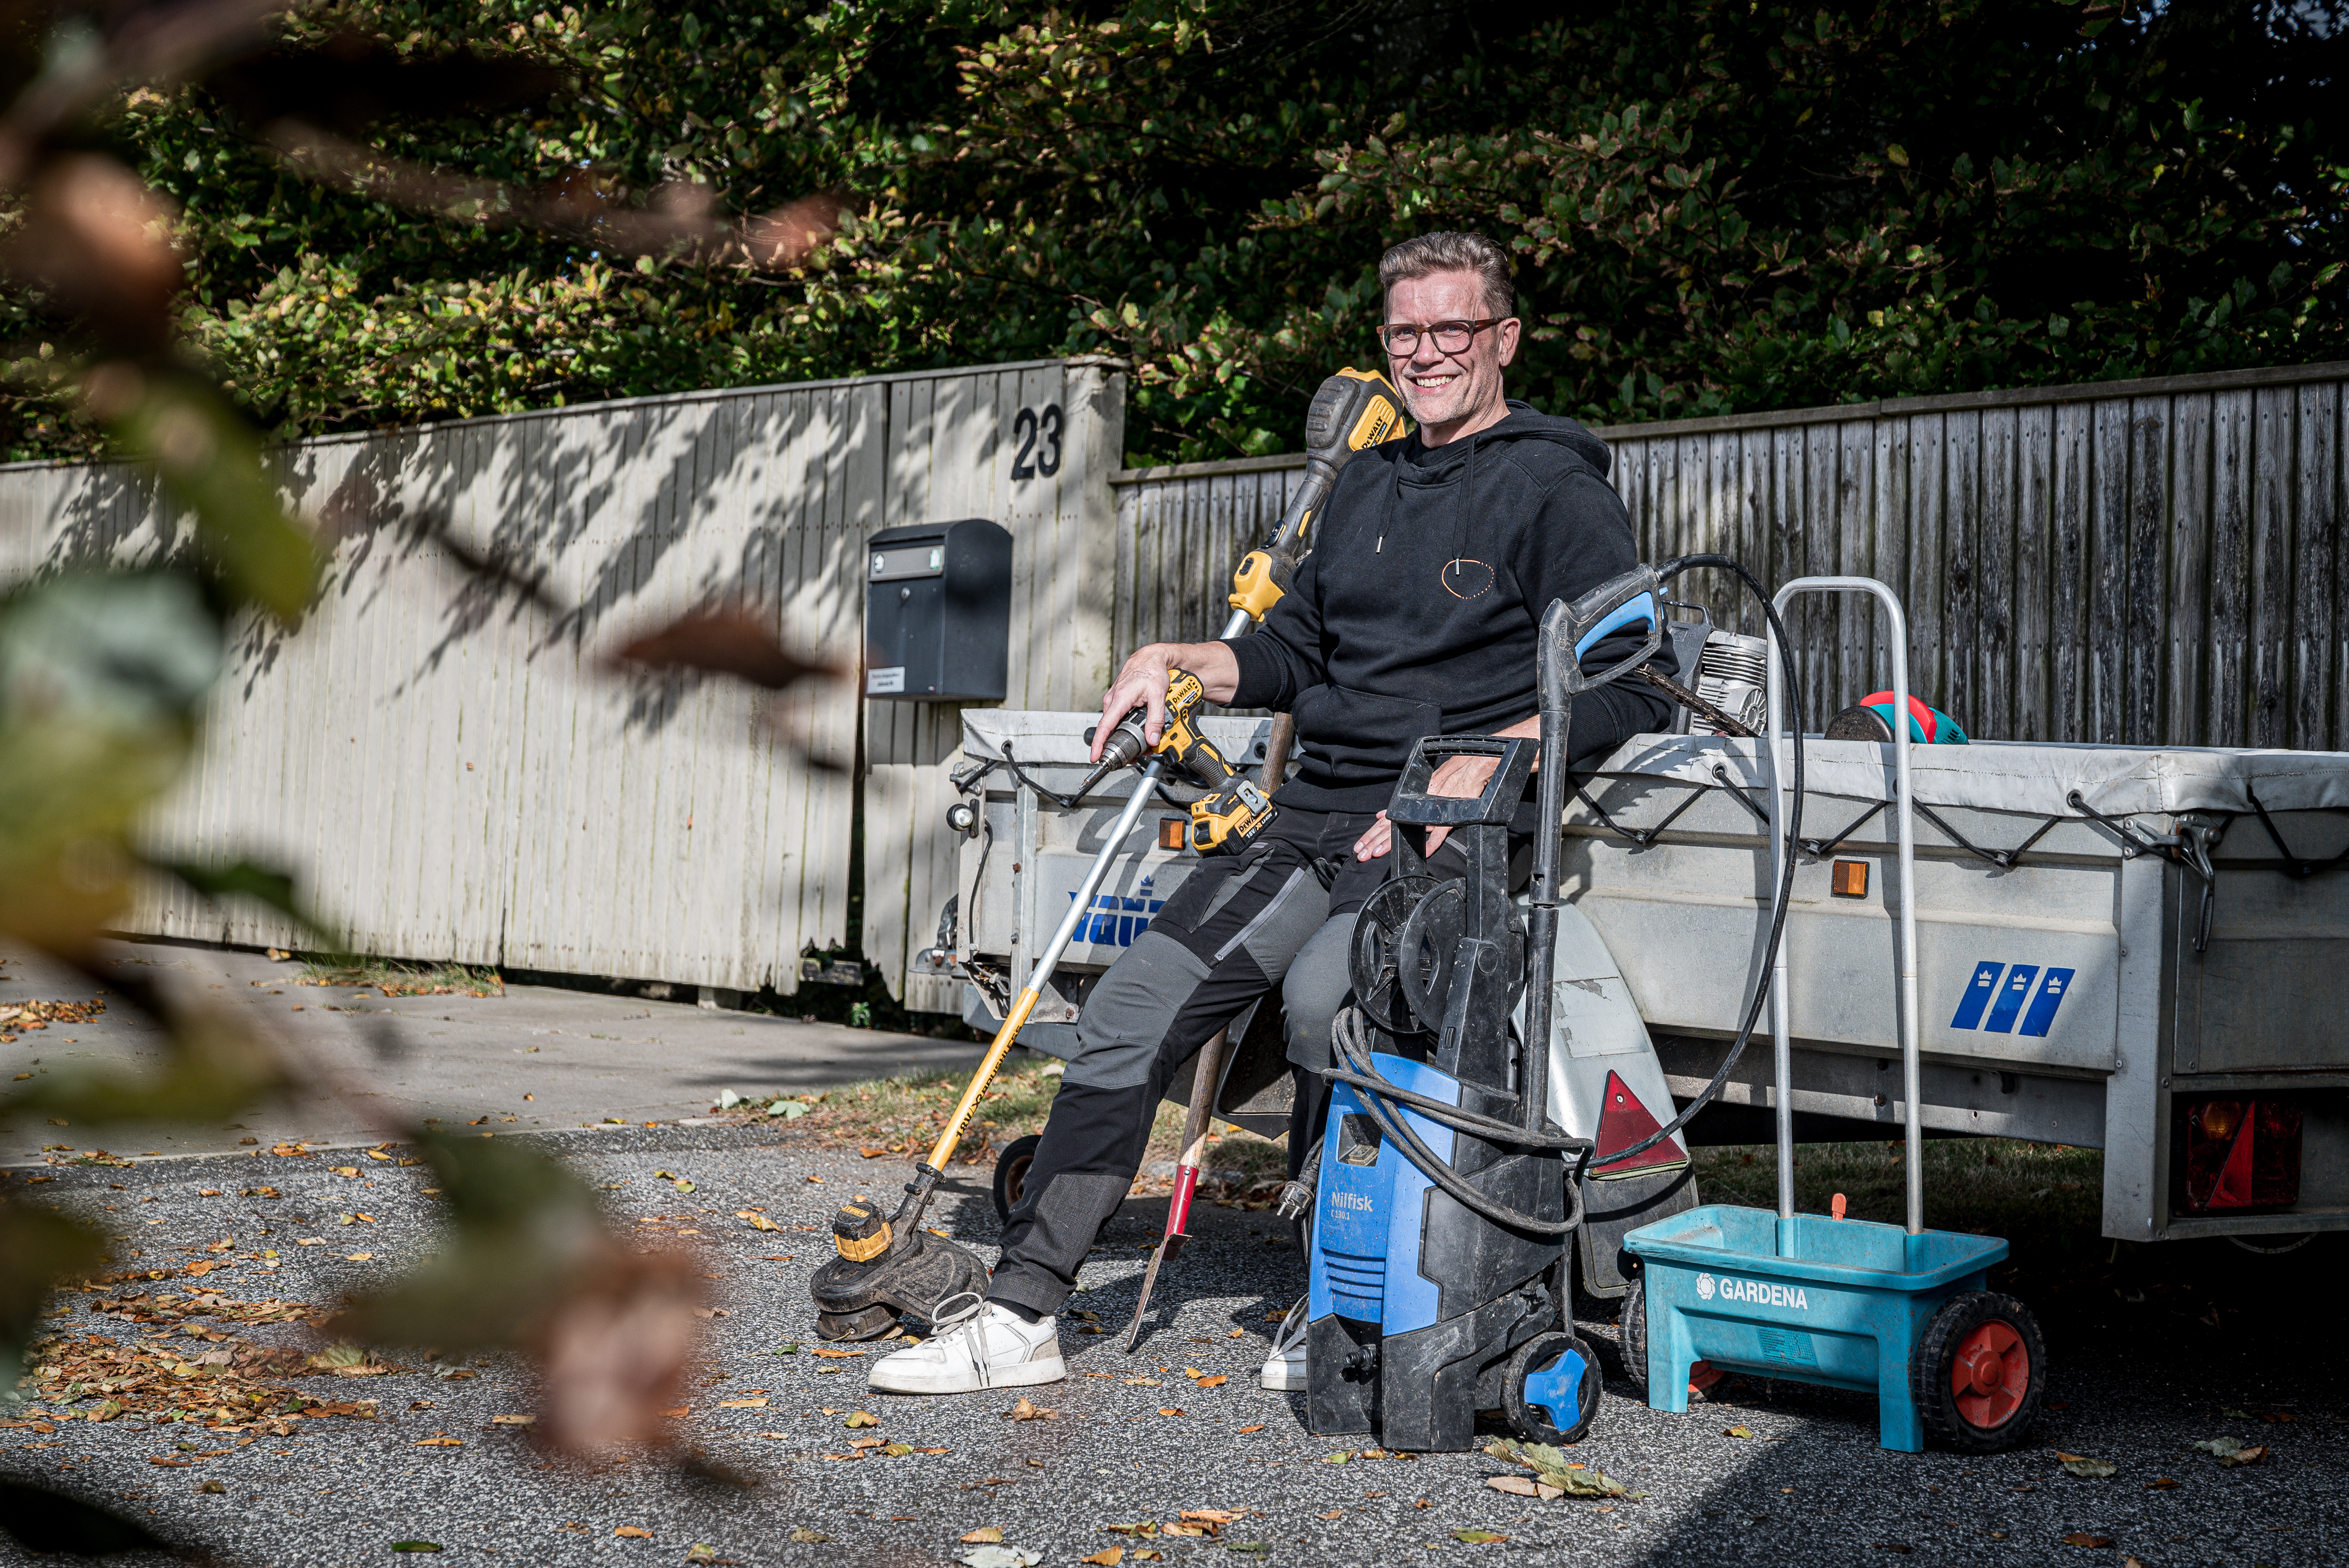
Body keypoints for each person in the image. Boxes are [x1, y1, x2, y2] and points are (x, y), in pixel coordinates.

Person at [868, 230, 1675, 1395]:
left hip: (1440, 836)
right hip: (1307, 821)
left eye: (1454, 329)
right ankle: (1023, 1315)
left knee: (1320, 1008)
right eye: (1407, 333)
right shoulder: (1368, 486)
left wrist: (1497, 757)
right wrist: (1182, 661)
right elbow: (1294, 652)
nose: (1429, 353)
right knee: (1130, 1010)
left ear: (1503, 338)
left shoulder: (1556, 486)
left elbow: (1634, 675)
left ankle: (1337, 1301)